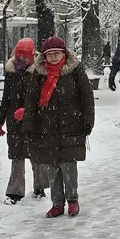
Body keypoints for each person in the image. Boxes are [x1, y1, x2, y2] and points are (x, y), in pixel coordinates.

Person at [23, 36, 95, 218]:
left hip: (71, 125)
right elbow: (31, 102)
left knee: (68, 166)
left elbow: (86, 96)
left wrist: (88, 121)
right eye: (50, 54)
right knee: (52, 168)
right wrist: (29, 125)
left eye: (57, 53)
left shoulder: (75, 71)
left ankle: (72, 200)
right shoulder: (38, 74)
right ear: (44, 57)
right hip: (46, 128)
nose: (54, 57)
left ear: (64, 53)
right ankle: (57, 203)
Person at [0, 38, 45, 204]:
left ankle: (40, 188)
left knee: (36, 154)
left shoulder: (38, 72)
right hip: (13, 121)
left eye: (25, 58)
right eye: (19, 57)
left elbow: (42, 98)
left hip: (33, 120)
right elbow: (6, 97)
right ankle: (15, 192)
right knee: (17, 155)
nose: (21, 61)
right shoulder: (11, 71)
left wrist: (28, 111)